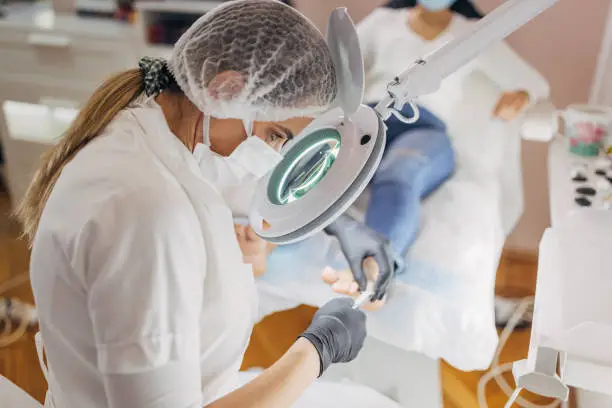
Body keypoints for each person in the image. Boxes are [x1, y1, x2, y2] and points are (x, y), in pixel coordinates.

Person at [17, 2, 371, 407]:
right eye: (276, 136)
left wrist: (328, 227)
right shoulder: (148, 214)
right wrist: (316, 351)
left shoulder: (147, 126)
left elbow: (233, 206)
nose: (273, 158)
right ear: (224, 90)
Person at [320, 0, 549, 306]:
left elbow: (534, 82)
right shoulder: (384, 22)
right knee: (323, 166)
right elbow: (334, 65)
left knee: (400, 173)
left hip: (425, 129)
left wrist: (521, 95)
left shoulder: (472, 34)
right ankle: (265, 247)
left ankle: (373, 274)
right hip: (370, 120)